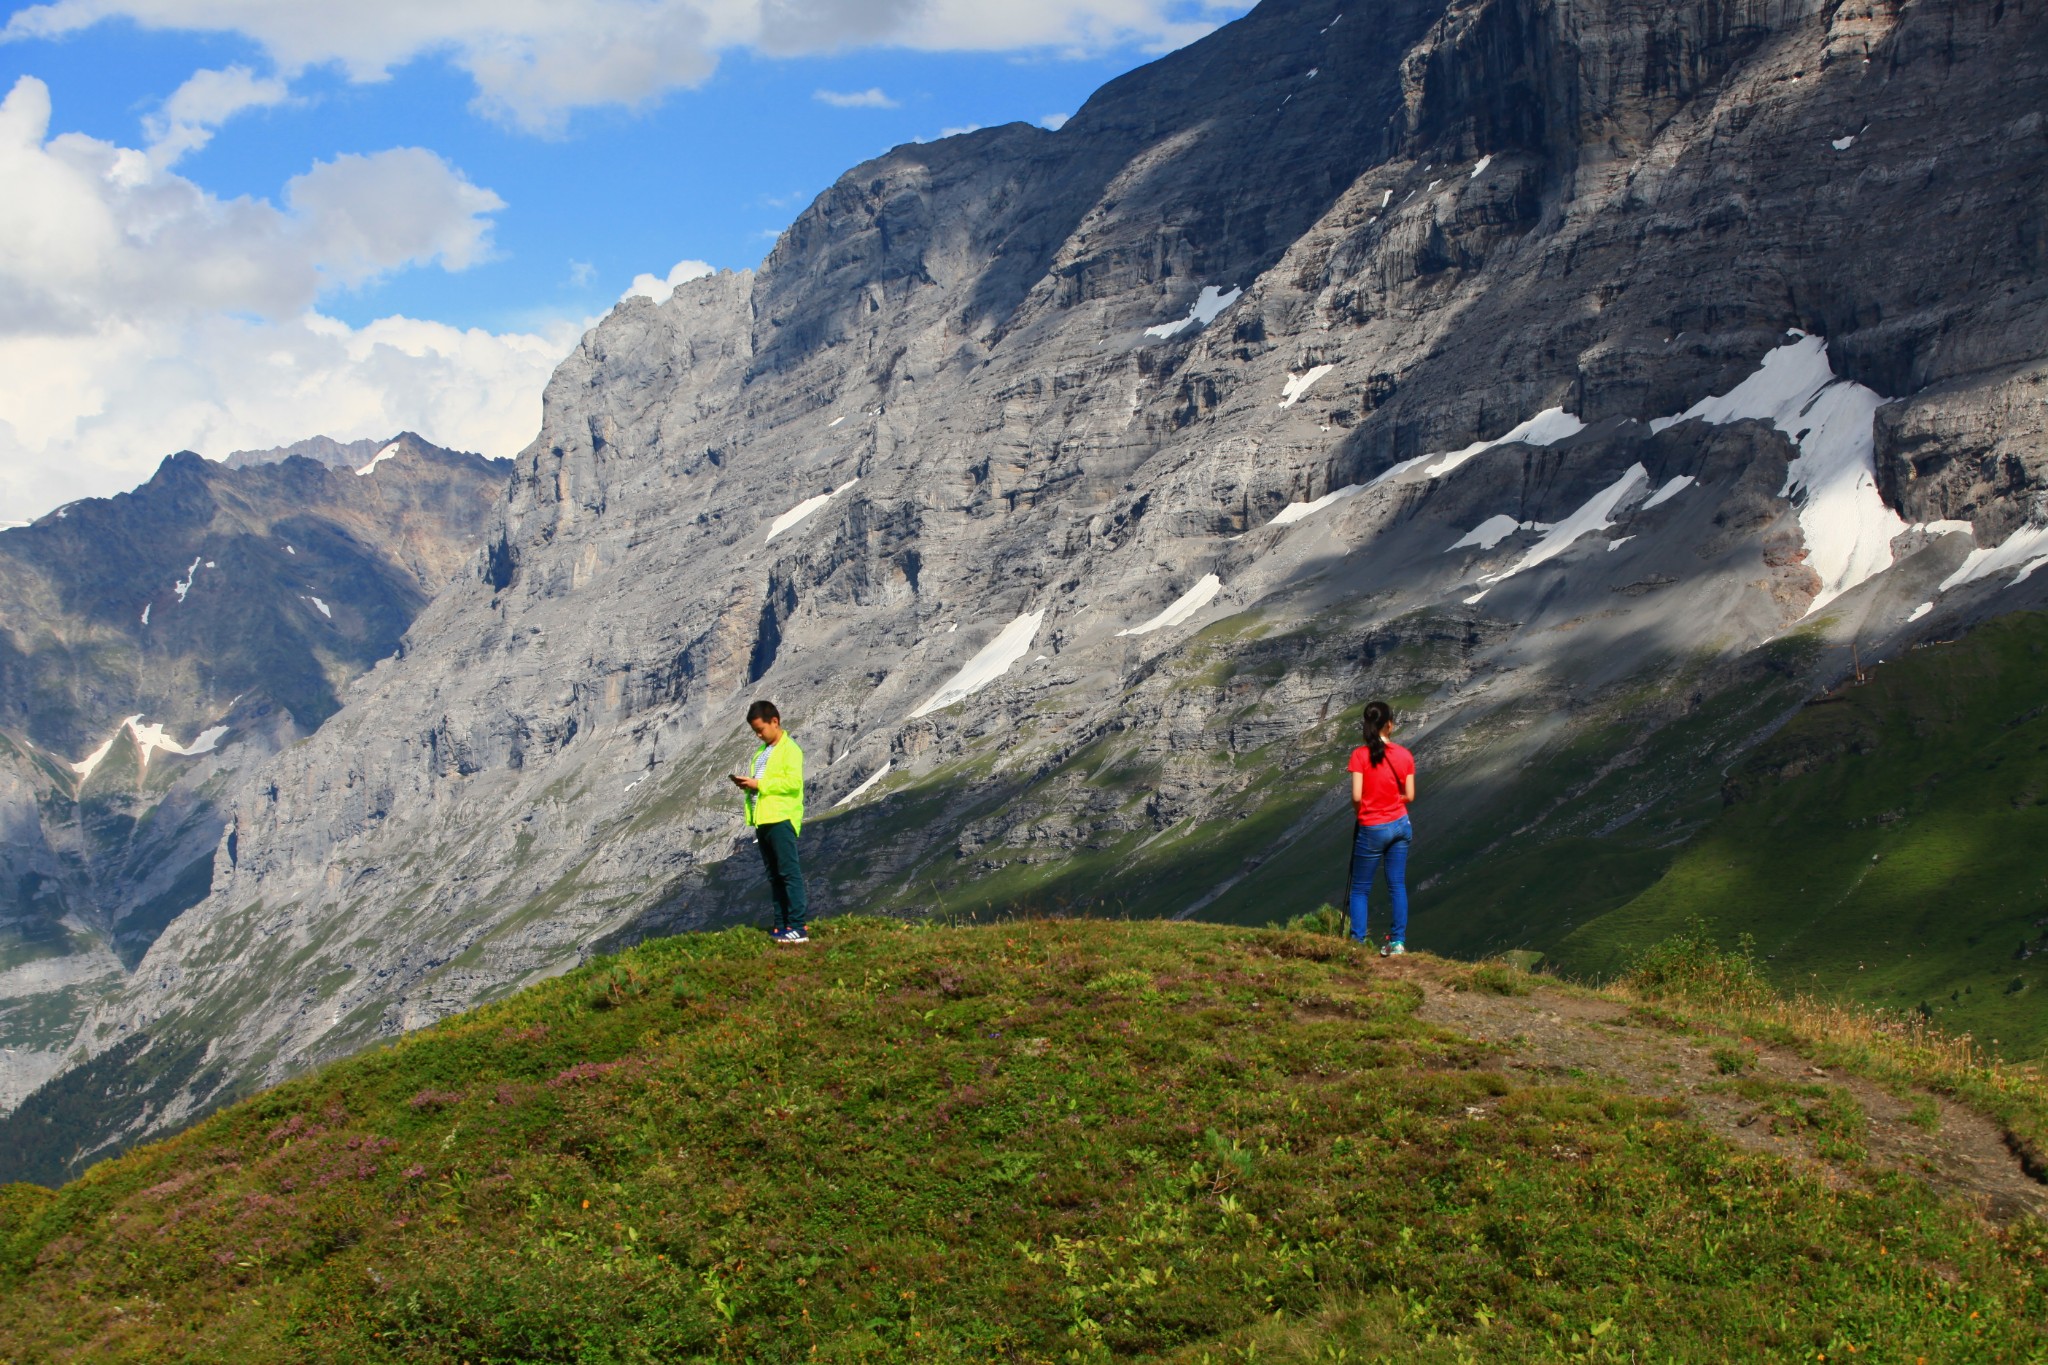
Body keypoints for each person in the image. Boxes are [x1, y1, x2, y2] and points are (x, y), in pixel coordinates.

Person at [729, 699, 808, 944]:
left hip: (781, 818)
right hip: (763, 819)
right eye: (755, 732)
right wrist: (748, 785)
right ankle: (781, 923)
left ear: (775, 721)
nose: (758, 735)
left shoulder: (790, 749)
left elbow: (793, 783)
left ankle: (797, 926)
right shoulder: (761, 753)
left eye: (761, 730)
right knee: (774, 875)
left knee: (788, 872)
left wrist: (758, 784)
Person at [1345, 699, 1416, 955]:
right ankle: (1397, 942)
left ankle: (1358, 944)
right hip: (1400, 824)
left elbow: (1356, 796)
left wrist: (1362, 814)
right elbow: (1410, 794)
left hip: (1372, 827)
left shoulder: (1360, 756)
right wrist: (1393, 802)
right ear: (1389, 725)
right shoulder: (1405, 755)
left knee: (1361, 889)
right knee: (1396, 884)